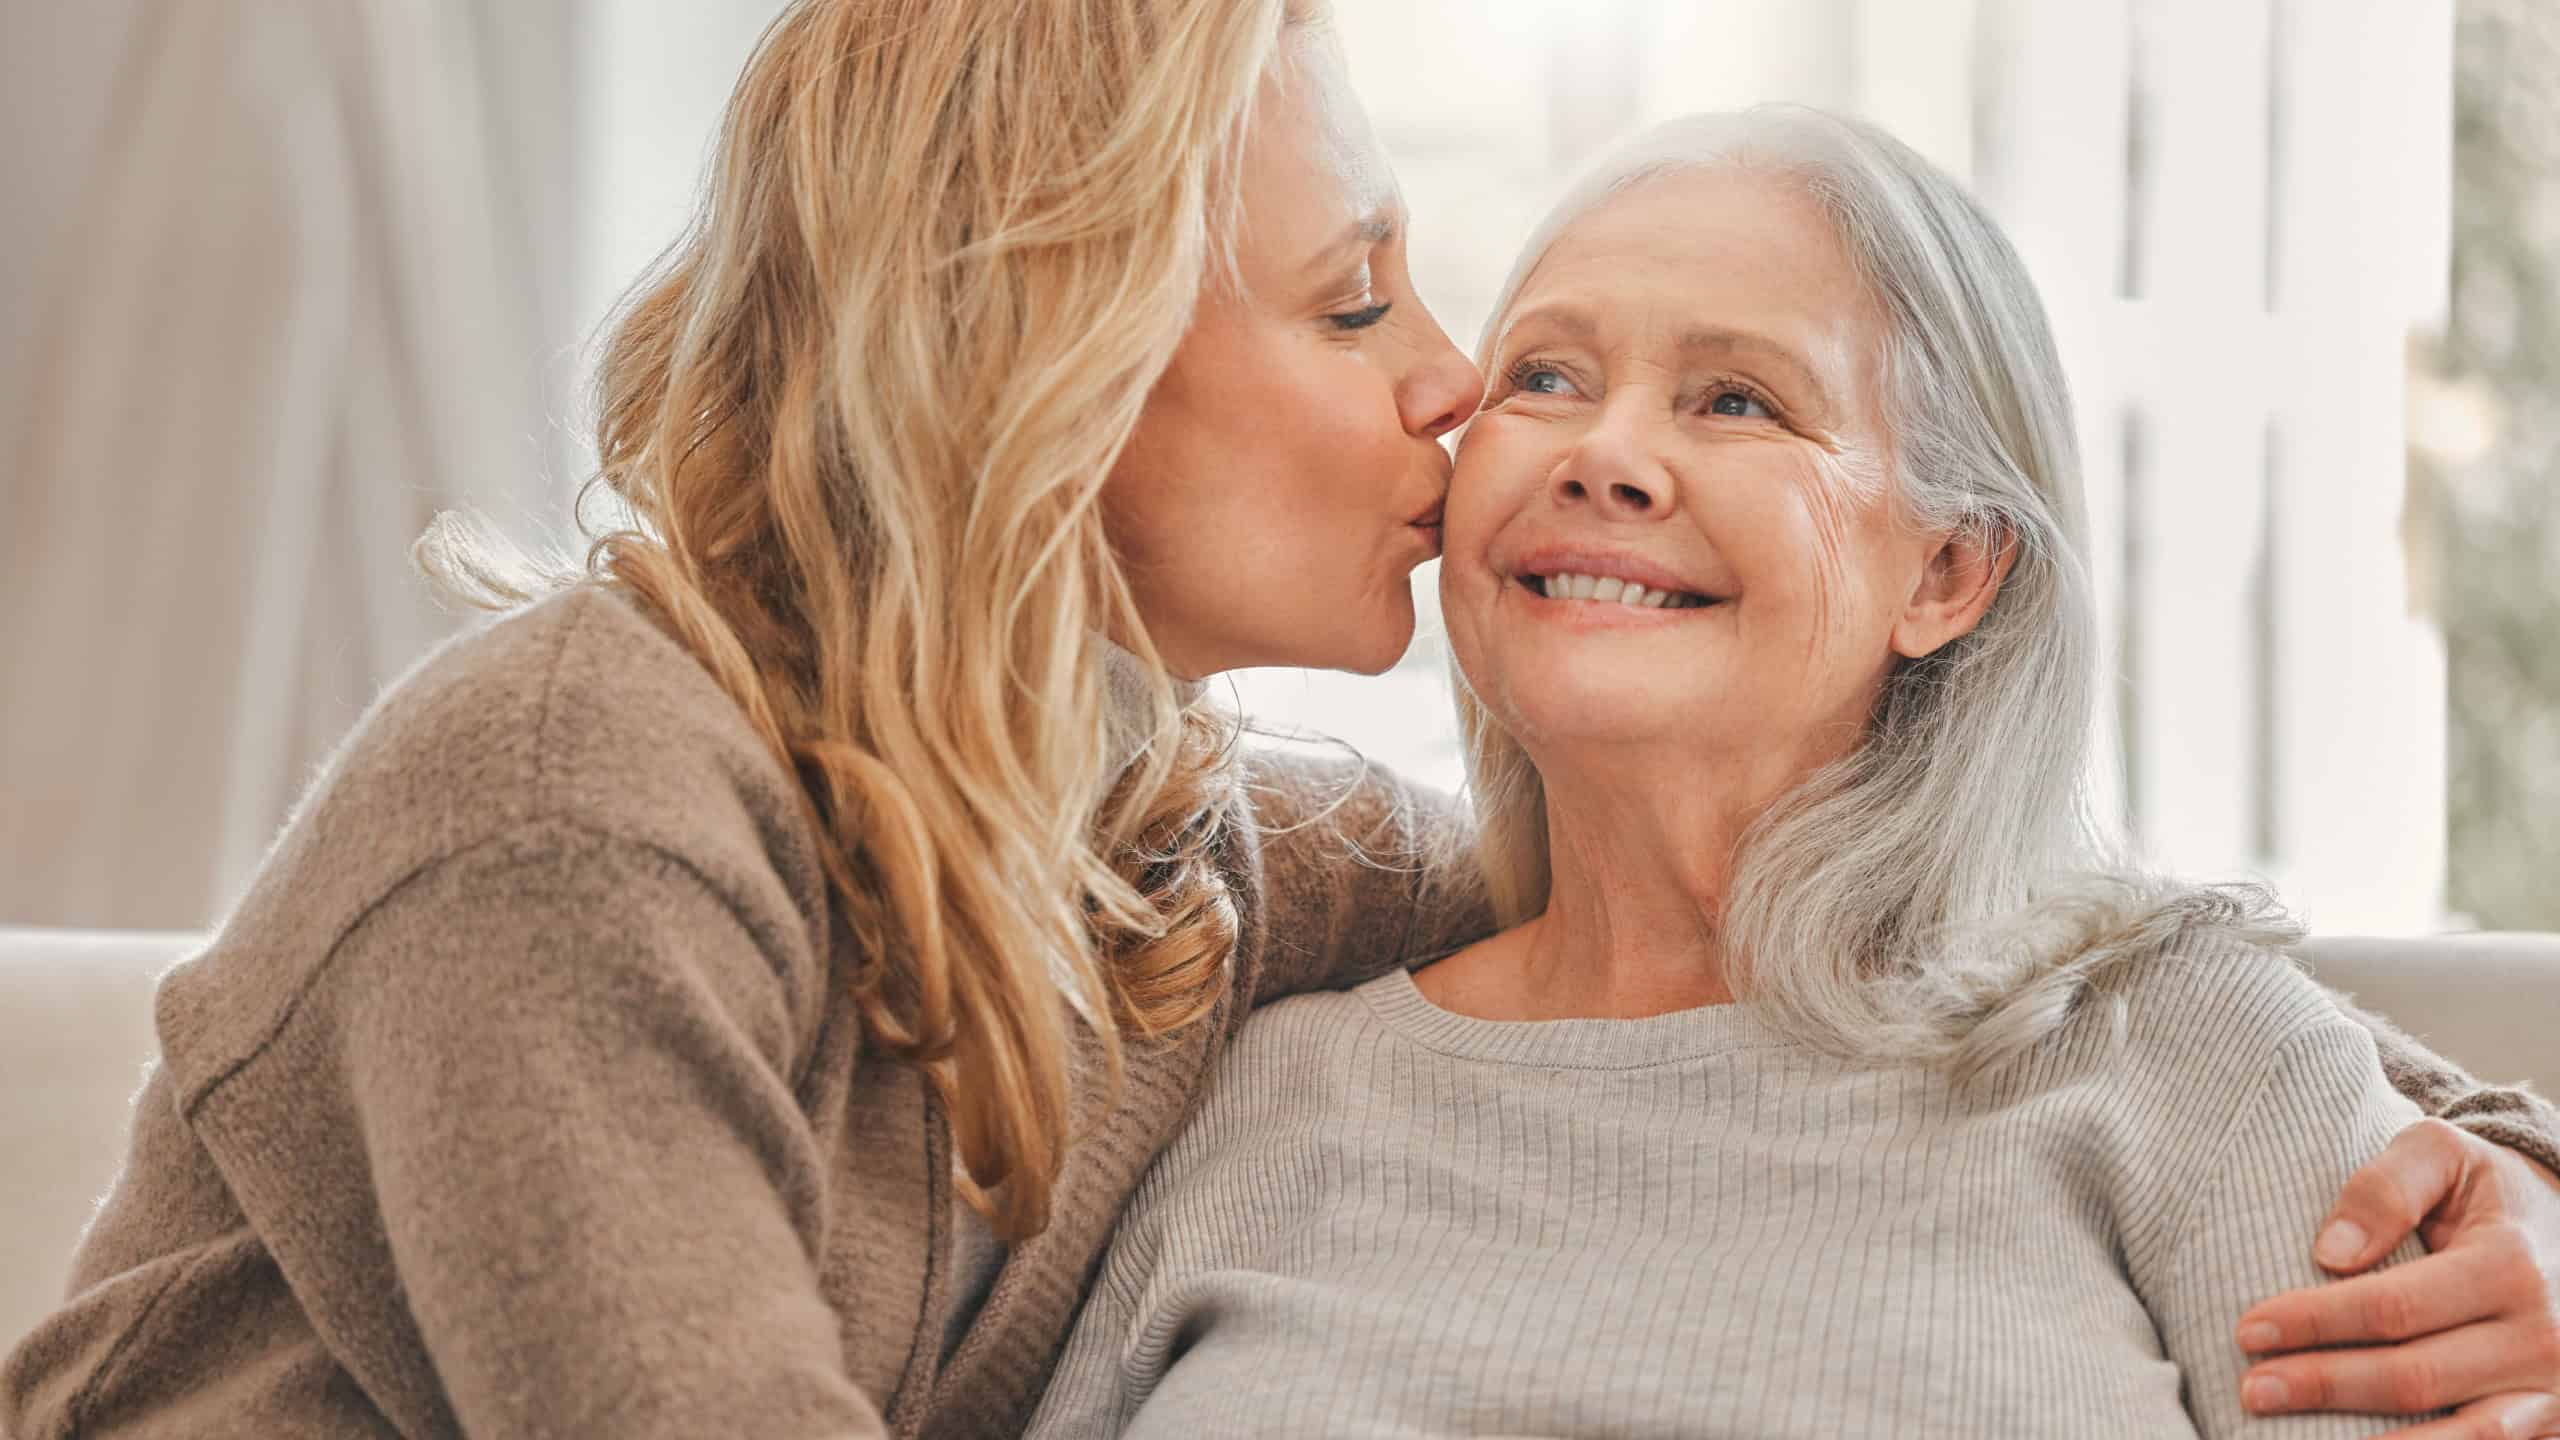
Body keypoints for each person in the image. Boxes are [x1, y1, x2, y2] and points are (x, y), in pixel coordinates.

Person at [3, 6, 2553, 1437]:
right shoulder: (575, 810)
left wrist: (2510, 1184)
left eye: (1731, 397)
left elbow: (1870, 940)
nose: (1466, 396)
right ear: (1054, 373)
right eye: (1367, 311)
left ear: (1951, 567)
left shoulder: (1185, 864)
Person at [1028, 105, 2560, 1438]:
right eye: (1546, 377)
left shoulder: (2187, 1054)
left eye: (1737, 400)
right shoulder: (1268, 1085)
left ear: (1947, 572)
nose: (1605, 454)